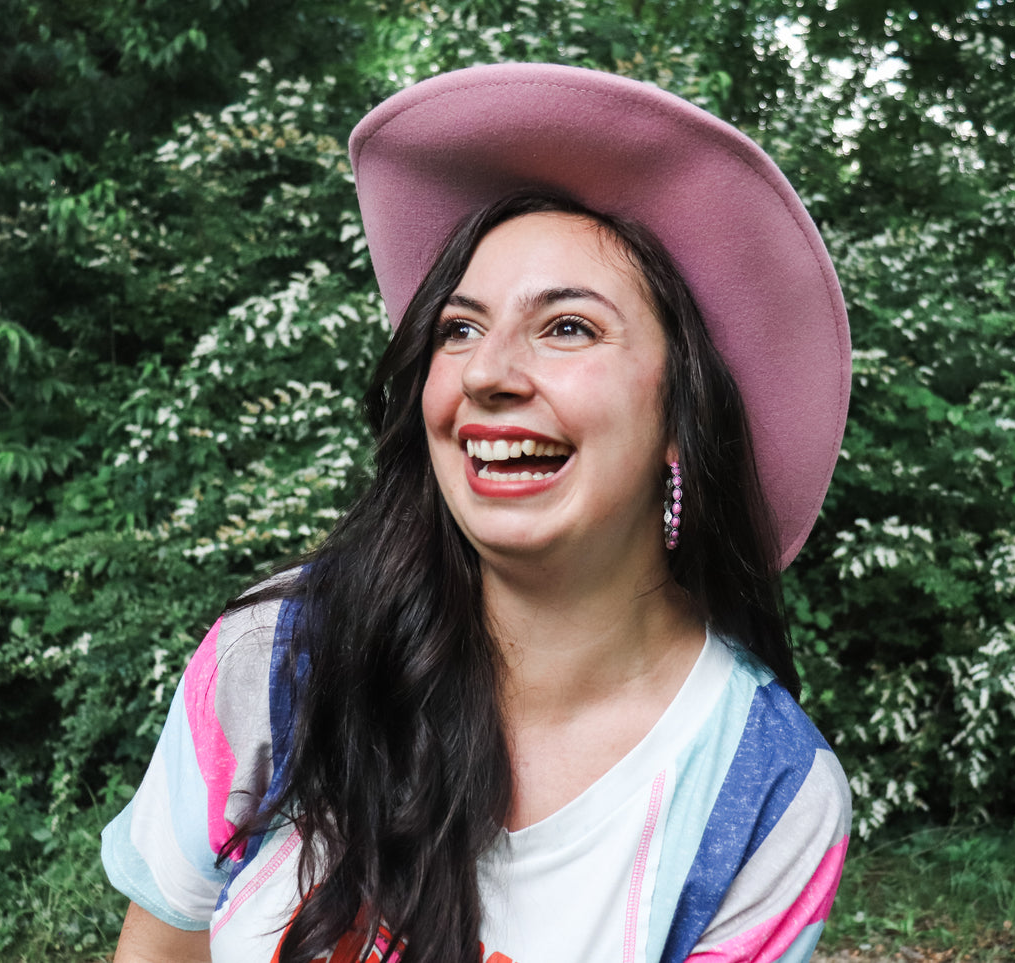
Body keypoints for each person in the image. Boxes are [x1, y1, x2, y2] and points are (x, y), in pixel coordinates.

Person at [102, 63, 853, 963]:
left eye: (568, 326)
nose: (488, 374)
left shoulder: (763, 793)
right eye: (458, 329)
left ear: (679, 418)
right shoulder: (279, 657)